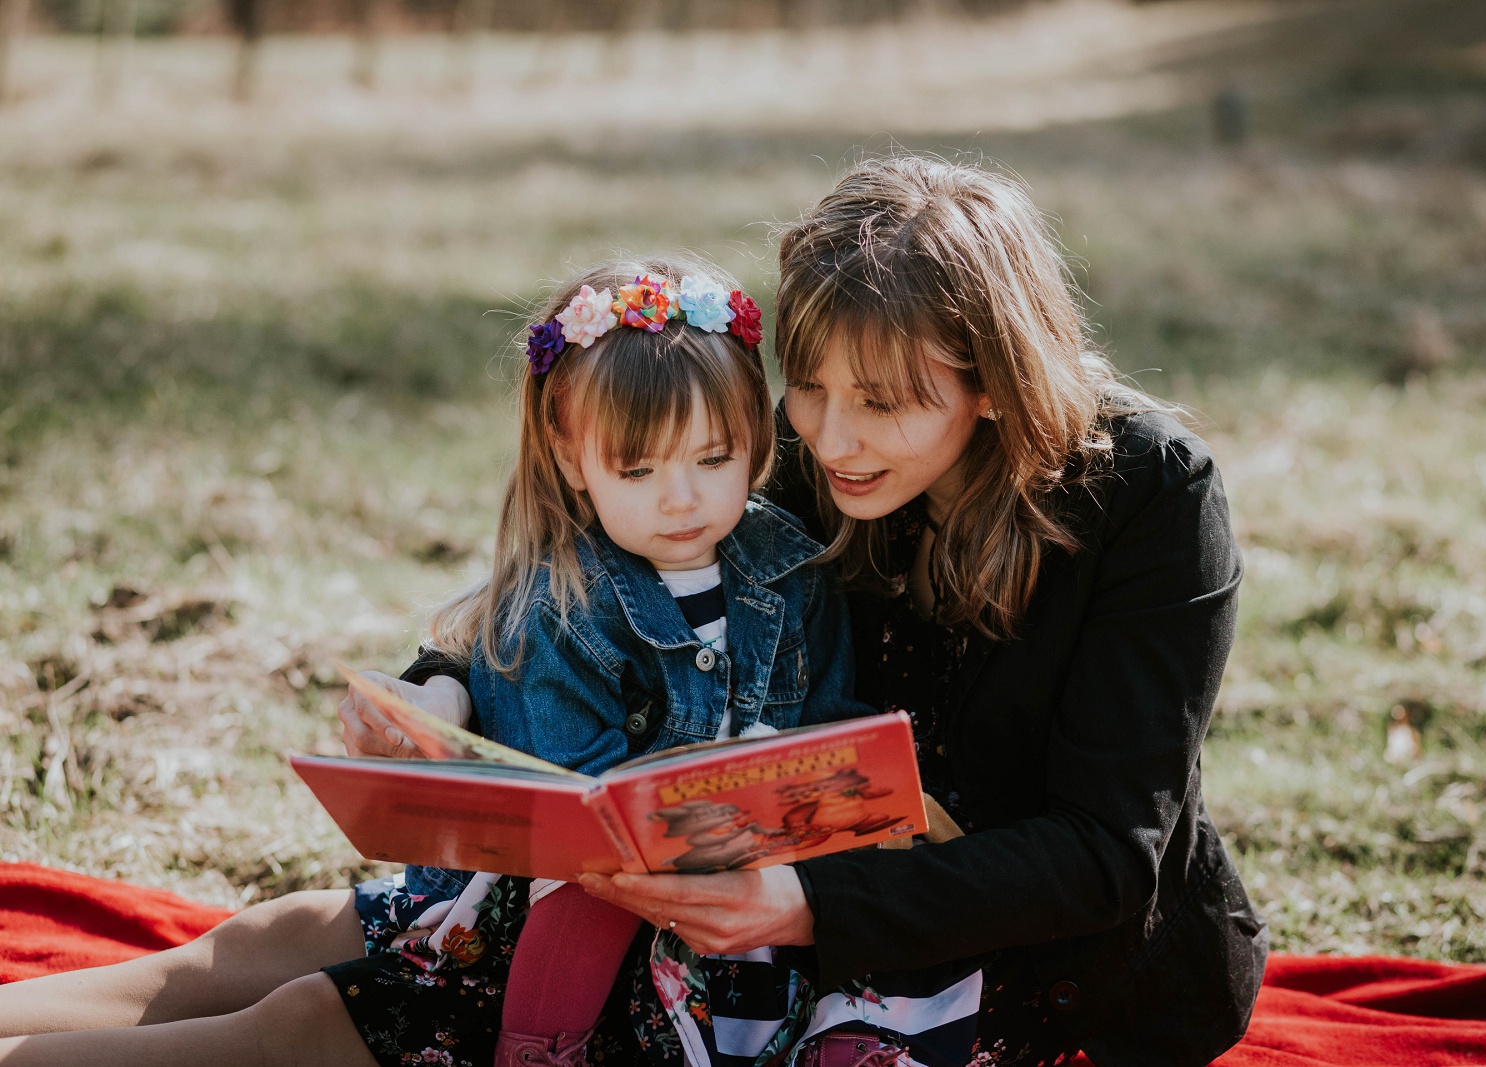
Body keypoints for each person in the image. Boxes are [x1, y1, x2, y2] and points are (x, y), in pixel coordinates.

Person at [0, 257, 869, 1067]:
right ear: (571, 455)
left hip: (705, 949)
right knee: (282, 935)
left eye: (713, 458)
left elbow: (831, 740)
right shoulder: (559, 602)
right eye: (637, 468)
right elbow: (573, 814)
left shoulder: (795, 569)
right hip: (542, 919)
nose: (682, 498)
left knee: (302, 1020)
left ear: (755, 433)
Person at [566, 158, 1270, 1067]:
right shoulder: (809, 447)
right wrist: (441, 685)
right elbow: (601, 571)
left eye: (884, 402)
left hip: (1064, 976)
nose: (828, 436)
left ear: (992, 381)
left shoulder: (1152, 493)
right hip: (785, 935)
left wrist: (809, 904)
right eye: (808, 383)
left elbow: (1106, 853)